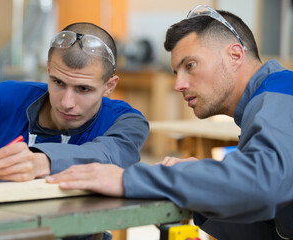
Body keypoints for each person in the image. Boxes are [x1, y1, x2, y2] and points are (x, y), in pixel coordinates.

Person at [46, 5, 293, 240]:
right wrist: (196, 188)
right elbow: (274, 231)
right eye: (176, 72)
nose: (179, 85)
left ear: (235, 55)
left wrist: (130, 180)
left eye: (190, 65)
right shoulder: (267, 104)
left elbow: (261, 184)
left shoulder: (282, 92)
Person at [0, 22, 149, 183]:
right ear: (49, 70)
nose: (67, 103)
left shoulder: (126, 122)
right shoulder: (1, 99)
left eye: (84, 89)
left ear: (109, 85)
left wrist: (41, 162)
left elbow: (108, 154)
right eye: (58, 82)